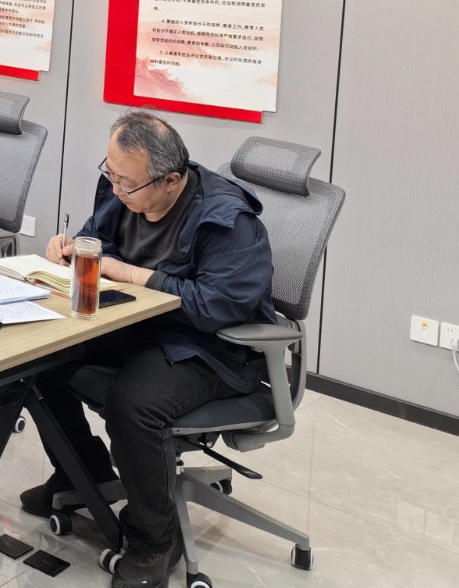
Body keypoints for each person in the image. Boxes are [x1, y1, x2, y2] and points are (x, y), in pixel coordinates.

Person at [20, 112, 277, 588]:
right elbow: (100, 242)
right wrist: (72, 250)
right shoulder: (123, 191)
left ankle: (154, 542)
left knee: (135, 404)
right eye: (111, 174)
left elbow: (219, 306)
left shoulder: (227, 220)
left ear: (171, 180)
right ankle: (85, 473)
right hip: (136, 325)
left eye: (128, 183)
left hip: (209, 349)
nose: (116, 188)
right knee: (37, 357)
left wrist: (136, 275)